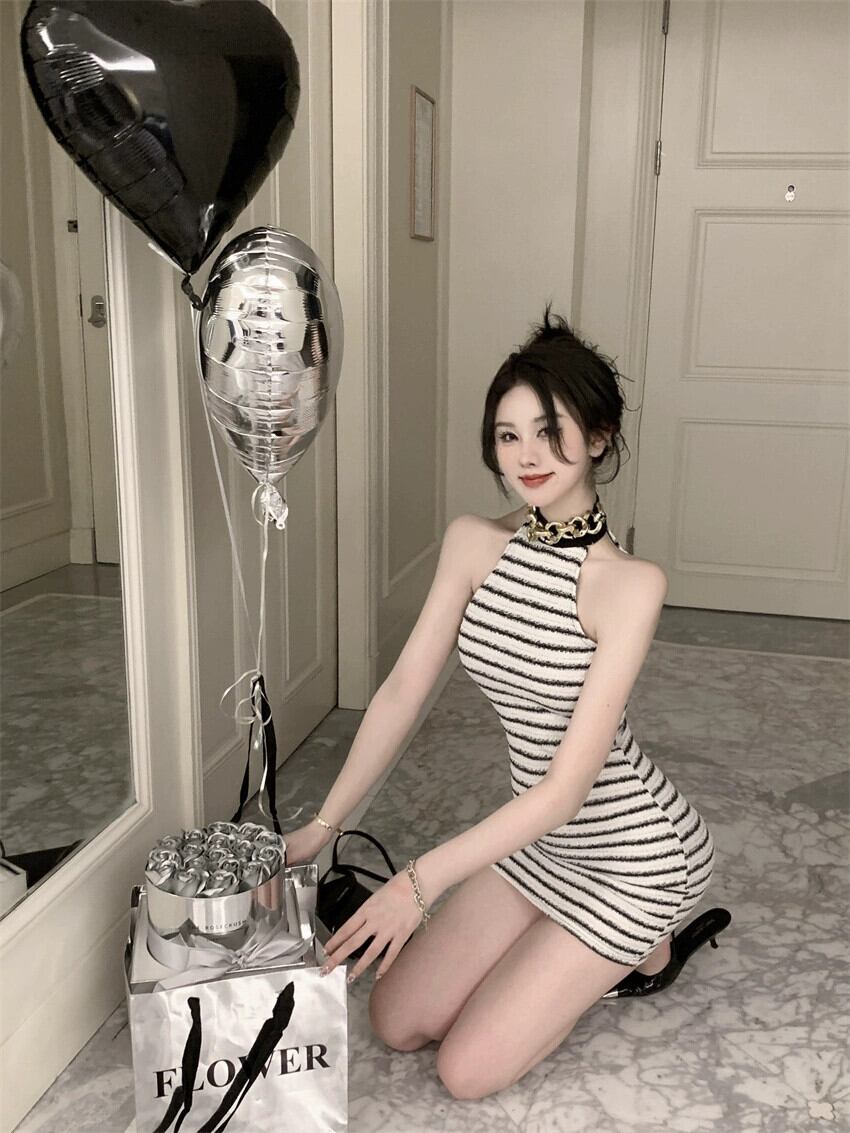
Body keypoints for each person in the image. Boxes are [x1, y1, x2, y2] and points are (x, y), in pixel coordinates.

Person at [284, 307, 726, 1100]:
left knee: (466, 1069)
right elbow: (402, 690)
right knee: (397, 1018)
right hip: (537, 841)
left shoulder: (629, 586)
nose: (525, 456)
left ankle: (644, 943)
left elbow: (566, 790)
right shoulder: (473, 544)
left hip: (631, 853)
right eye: (508, 434)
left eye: (550, 432)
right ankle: (578, 948)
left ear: (599, 436)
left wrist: (418, 881)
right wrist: (322, 826)